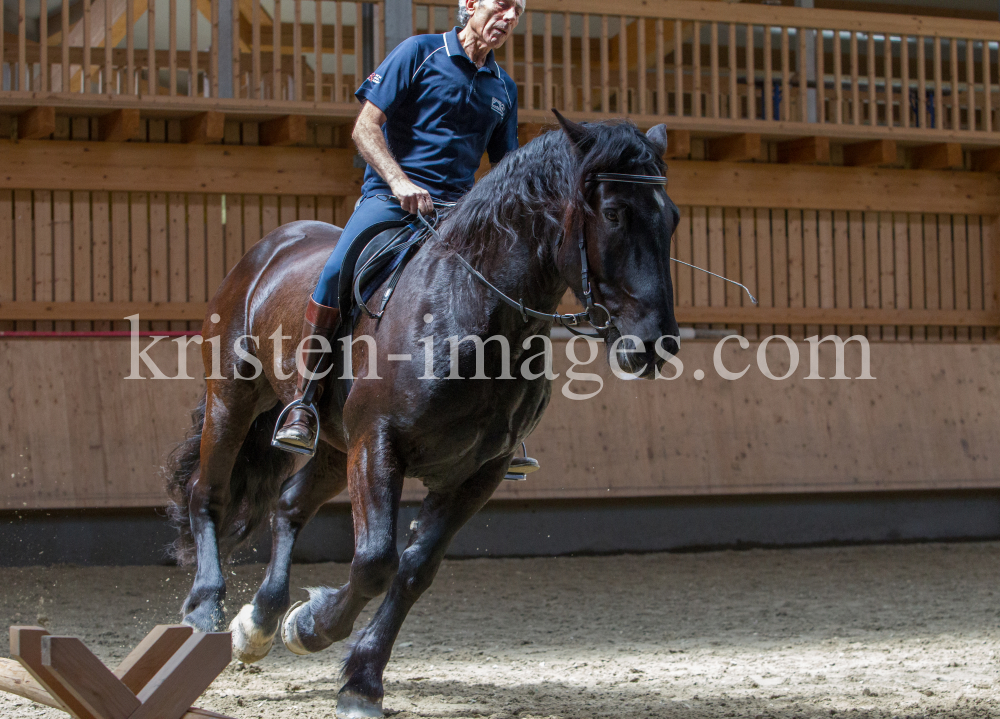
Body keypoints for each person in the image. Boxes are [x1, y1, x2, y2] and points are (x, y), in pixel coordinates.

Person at [273, 0, 536, 484]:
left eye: (518, 10)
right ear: (470, 5)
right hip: (393, 198)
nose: (510, 16)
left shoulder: (502, 88)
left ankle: (506, 422)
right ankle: (303, 402)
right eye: (502, 4)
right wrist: (398, 182)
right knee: (335, 272)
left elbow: (506, 168)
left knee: (506, 291)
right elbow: (364, 127)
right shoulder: (418, 53)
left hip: (460, 213)